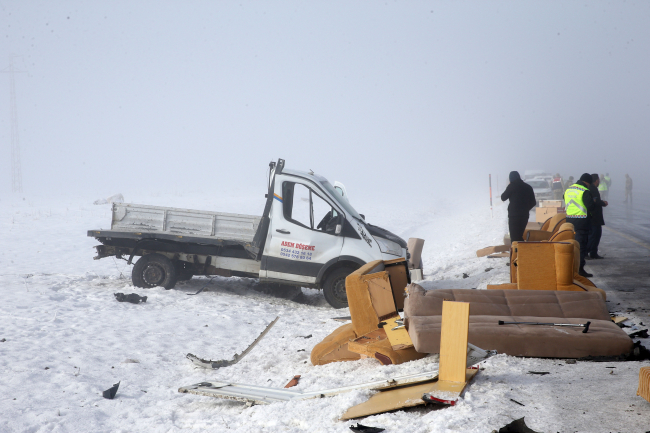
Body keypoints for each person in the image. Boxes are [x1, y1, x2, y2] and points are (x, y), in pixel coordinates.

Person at [564, 173, 595, 277]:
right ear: (587, 182)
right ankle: (580, 269)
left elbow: (565, 199)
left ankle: (570, 267)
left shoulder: (568, 189)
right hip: (581, 221)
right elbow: (590, 206)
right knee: (580, 247)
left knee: (571, 245)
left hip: (569, 221)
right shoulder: (584, 191)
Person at [501, 171, 537, 242]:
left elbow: (503, 197)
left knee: (514, 237)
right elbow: (533, 202)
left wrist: (509, 186)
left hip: (514, 216)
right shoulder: (528, 187)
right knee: (519, 235)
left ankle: (517, 251)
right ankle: (521, 250)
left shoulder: (512, 186)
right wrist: (525, 209)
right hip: (524, 215)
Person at [587, 174, 608, 260]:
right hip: (595, 216)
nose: (599, 181)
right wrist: (603, 203)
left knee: (596, 235)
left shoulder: (591, 188)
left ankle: (593, 252)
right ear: (596, 180)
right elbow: (596, 201)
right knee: (594, 235)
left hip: (594, 216)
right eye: (598, 180)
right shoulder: (593, 189)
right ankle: (586, 252)